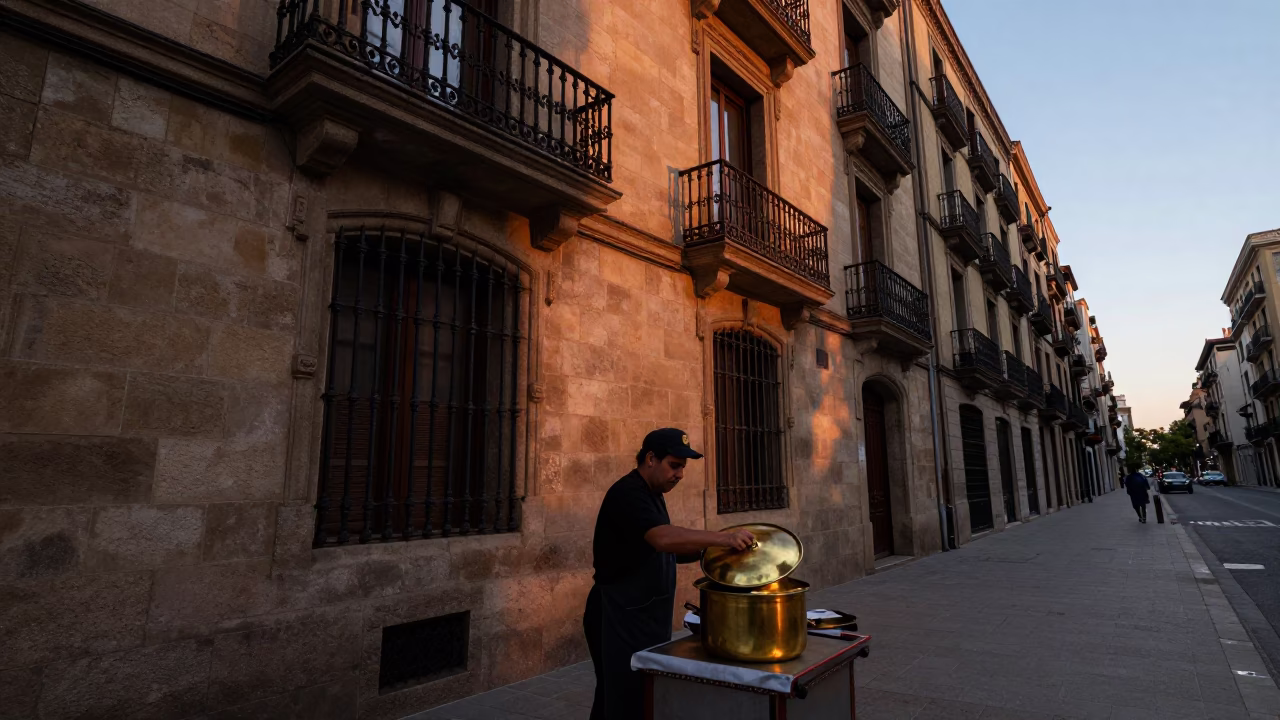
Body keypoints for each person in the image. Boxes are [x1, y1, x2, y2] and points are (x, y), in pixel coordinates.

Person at [583, 428, 755, 720]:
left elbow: (663, 549)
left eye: (683, 467)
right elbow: (662, 538)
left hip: (645, 617)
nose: (680, 475)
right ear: (651, 458)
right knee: (623, 697)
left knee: (634, 696)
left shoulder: (654, 494)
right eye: (674, 465)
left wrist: (713, 553)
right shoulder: (627, 493)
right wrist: (722, 538)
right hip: (618, 615)